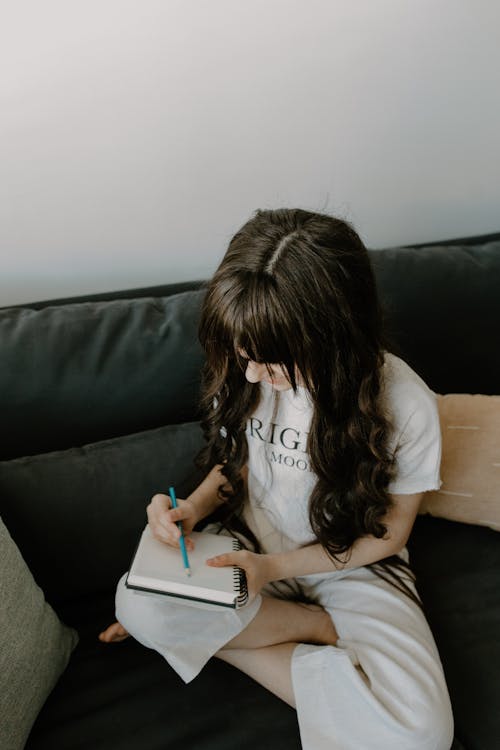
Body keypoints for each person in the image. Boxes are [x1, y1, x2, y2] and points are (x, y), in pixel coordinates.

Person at [100, 208, 454, 750]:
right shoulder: (249, 364)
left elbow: (390, 534)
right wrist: (190, 509)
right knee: (136, 601)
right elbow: (237, 464)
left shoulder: (406, 404)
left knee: (421, 735)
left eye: (269, 362)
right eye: (245, 355)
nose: (249, 374)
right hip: (245, 545)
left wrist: (271, 573)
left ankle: (217, 638)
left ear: (333, 339)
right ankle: (310, 627)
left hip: (349, 562)